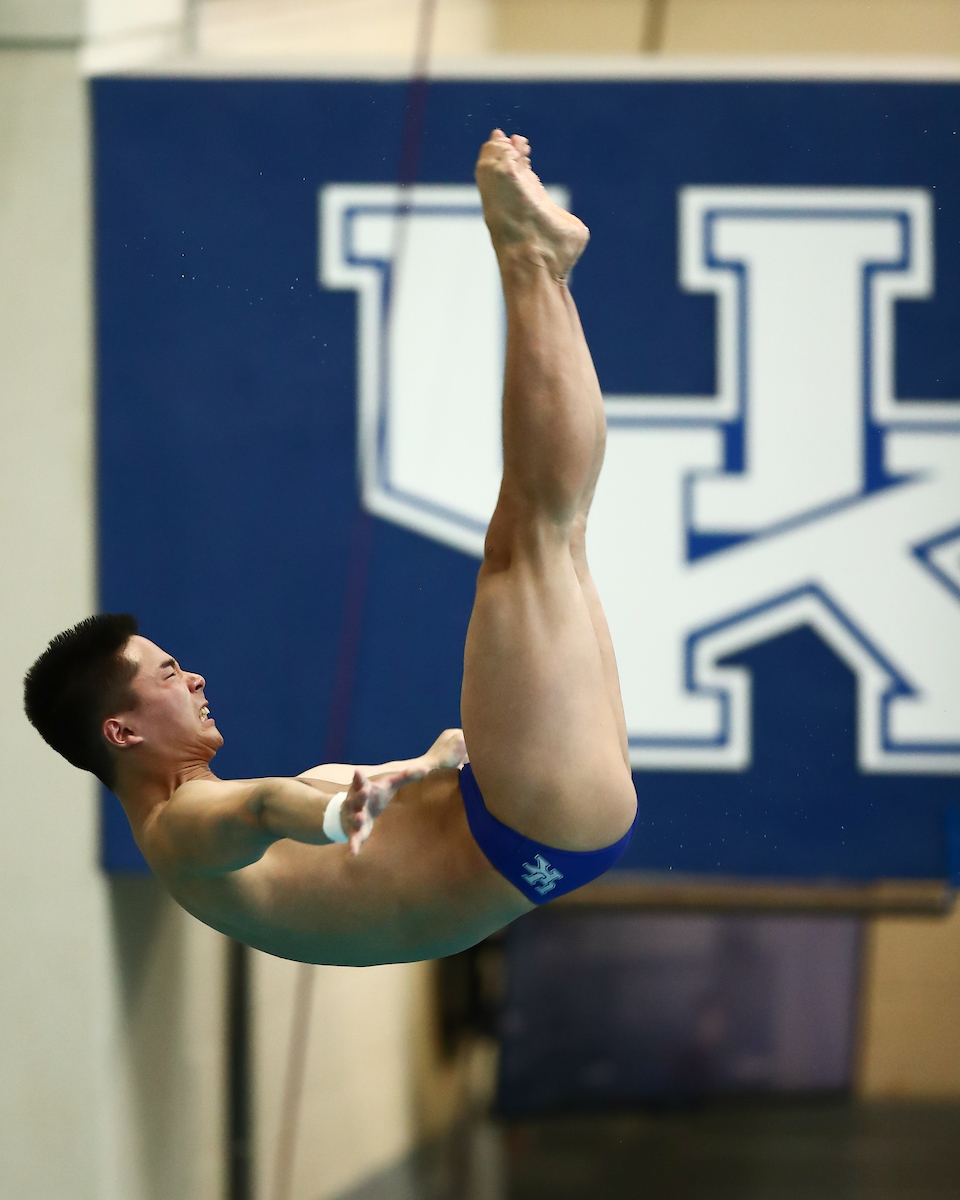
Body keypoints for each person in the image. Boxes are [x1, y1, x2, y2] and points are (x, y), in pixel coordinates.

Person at [23, 131, 638, 967]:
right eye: (167, 674)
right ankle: (530, 258)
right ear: (122, 732)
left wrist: (422, 764)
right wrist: (326, 815)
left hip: (529, 828)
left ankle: (542, 265)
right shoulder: (181, 828)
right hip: (526, 824)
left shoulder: (192, 839)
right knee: (533, 535)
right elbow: (263, 810)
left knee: (553, 534)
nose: (194, 676)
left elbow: (320, 823)